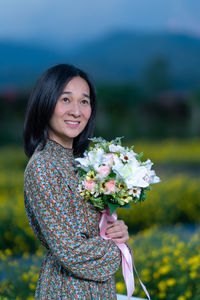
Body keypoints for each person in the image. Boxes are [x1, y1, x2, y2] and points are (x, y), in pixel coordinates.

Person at [23, 64, 129, 300]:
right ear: (45, 103)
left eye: (84, 101)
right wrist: (119, 250)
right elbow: (72, 252)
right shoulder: (43, 167)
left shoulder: (82, 165)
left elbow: (91, 230)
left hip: (99, 289)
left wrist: (116, 230)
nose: (76, 111)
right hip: (67, 289)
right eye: (65, 100)